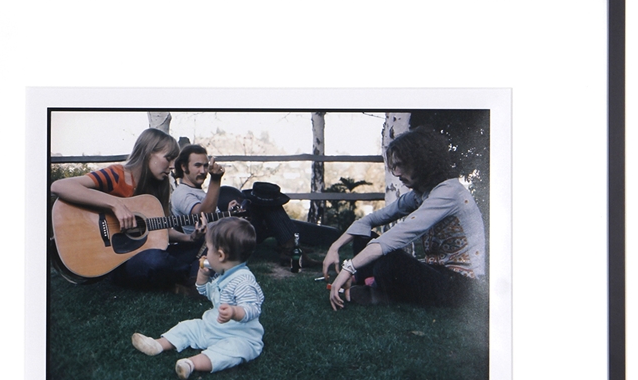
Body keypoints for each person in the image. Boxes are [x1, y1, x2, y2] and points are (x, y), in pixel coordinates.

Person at [323, 125, 486, 310]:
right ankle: (368, 284)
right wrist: (334, 247)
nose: (398, 173)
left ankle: (376, 291)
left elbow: (396, 236)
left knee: (389, 259)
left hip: (463, 286)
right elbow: (369, 220)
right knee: (364, 238)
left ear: (423, 162)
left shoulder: (449, 192)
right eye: (395, 166)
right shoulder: (421, 193)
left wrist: (348, 267)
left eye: (402, 165)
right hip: (436, 271)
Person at [51, 128, 206, 289]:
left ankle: (191, 273)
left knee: (203, 242)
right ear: (148, 153)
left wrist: (189, 238)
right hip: (118, 262)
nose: (172, 166)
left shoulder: (160, 187)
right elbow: (59, 186)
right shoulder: (117, 175)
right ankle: (195, 275)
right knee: (154, 260)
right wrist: (115, 205)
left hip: (145, 252)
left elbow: (160, 229)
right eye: (168, 158)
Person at [131, 216, 264, 380]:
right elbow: (206, 292)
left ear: (220, 255)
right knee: (188, 327)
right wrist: (202, 276)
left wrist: (235, 312)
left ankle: (190, 364)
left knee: (232, 351)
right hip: (213, 326)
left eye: (208, 249)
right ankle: (158, 344)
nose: (206, 253)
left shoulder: (244, 280)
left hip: (241, 336)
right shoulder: (223, 274)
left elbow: (253, 308)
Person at [170, 143, 316, 265]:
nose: (203, 171)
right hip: (213, 244)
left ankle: (290, 245)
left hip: (225, 234)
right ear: (183, 167)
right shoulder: (182, 193)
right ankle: (291, 247)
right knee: (266, 202)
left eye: (205, 166)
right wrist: (215, 179)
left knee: (265, 198)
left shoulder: (196, 190)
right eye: (197, 166)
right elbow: (203, 215)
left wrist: (227, 213)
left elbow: (211, 216)